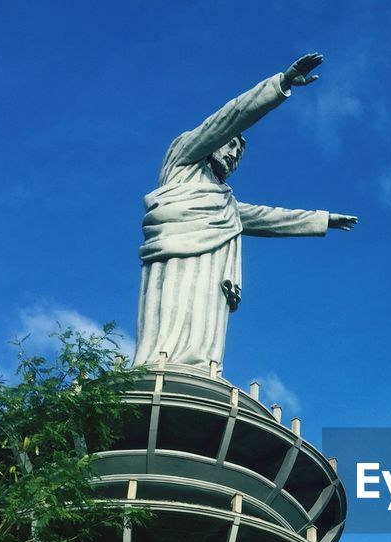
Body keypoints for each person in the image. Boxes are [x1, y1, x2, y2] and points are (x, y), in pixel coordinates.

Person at [134, 52, 358, 370]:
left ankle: (201, 367)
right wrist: (280, 84)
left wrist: (322, 219)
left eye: (240, 152)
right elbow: (231, 116)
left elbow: (272, 218)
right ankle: (161, 361)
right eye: (230, 144)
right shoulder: (183, 162)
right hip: (175, 263)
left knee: (204, 319)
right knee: (173, 312)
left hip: (210, 275)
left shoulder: (225, 204)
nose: (234, 153)